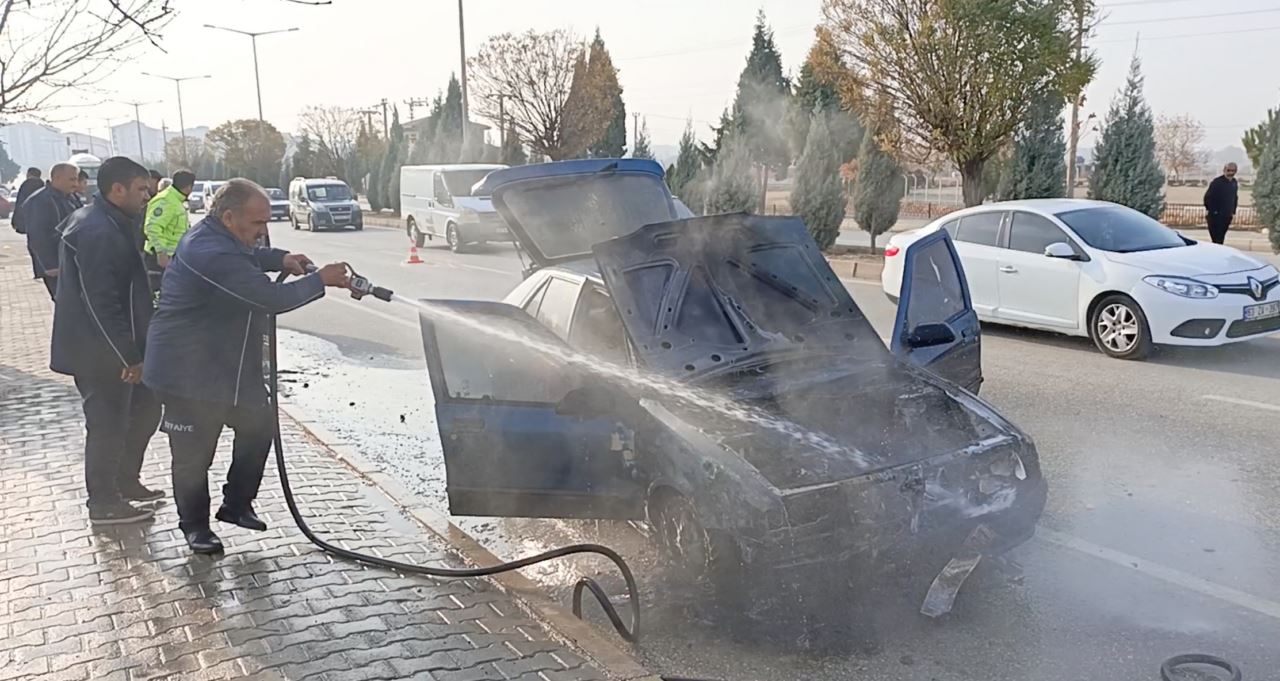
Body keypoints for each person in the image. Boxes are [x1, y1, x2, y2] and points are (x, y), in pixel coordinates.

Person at [144, 178, 351, 553]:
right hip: (187, 371)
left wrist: (280, 258)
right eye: (257, 224)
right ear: (228, 217)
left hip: (229, 366)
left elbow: (249, 258)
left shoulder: (222, 240)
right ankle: (196, 528)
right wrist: (321, 280)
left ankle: (236, 504)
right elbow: (268, 297)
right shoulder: (208, 250)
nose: (263, 231)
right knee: (193, 455)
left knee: (260, 425)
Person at [49, 157, 164, 525]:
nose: (147, 196)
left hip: (120, 343)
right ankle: (103, 502)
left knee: (145, 410)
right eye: (141, 189)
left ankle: (126, 482)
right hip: (98, 351)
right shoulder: (97, 230)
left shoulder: (113, 220)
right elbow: (101, 302)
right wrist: (127, 356)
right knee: (107, 423)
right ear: (118, 189)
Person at [24, 163, 81, 300]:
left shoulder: (71, 198)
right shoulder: (39, 201)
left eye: (76, 179)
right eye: (72, 179)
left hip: (74, 260)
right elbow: (37, 236)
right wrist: (50, 264)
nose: (76, 184)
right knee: (65, 304)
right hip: (56, 266)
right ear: (57, 178)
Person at [143, 170, 196, 293]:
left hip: (172, 258)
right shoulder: (166, 200)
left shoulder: (175, 201)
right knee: (160, 297)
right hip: (160, 260)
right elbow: (152, 226)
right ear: (189, 187)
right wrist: (161, 252)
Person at [13, 167, 45, 278]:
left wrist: (16, 221)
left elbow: (20, 203)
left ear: (29, 174)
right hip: (42, 221)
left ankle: (38, 271)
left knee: (33, 246)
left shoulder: (26, 184)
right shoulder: (43, 186)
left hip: (30, 221)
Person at [1203, 163, 1239, 245]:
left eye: (1233, 171)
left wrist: (1233, 211)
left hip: (1227, 215)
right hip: (1215, 215)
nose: (1230, 173)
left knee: (1221, 238)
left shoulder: (1234, 183)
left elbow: (1235, 197)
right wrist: (1213, 210)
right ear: (1224, 170)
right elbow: (1208, 197)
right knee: (1216, 238)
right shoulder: (1217, 182)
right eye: (1228, 170)